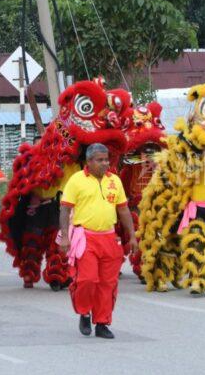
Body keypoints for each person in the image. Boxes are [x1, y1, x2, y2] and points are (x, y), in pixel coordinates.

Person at [59, 143, 136, 340]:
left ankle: (102, 323)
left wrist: (133, 236)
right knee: (86, 279)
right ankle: (84, 313)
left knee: (107, 284)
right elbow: (65, 209)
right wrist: (65, 237)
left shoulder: (115, 181)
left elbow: (123, 210)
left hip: (110, 238)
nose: (105, 163)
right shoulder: (76, 180)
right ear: (89, 161)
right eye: (100, 160)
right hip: (85, 237)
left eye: (106, 159)